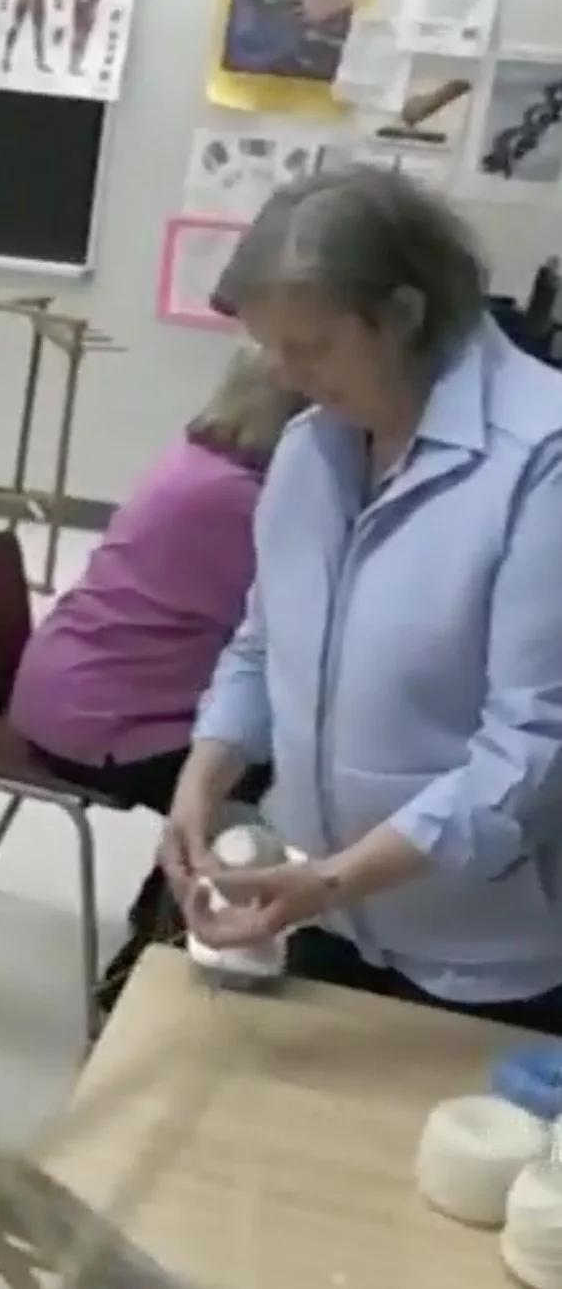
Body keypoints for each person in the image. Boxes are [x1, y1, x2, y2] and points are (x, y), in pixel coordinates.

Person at [170, 166, 562, 1036]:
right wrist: (206, 773)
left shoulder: (541, 461)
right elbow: (262, 645)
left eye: (311, 347)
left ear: (404, 314)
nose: (287, 373)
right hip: (322, 909)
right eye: (272, 347)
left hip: (486, 957)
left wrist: (338, 875)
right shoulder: (315, 447)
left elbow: (529, 753)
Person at [9, 347, 301, 1011]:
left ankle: (154, 953)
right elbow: (291, 632)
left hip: (69, 686)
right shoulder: (239, 498)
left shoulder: (199, 459)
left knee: (250, 766)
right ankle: (139, 983)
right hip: (100, 717)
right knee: (259, 793)